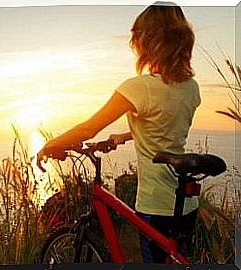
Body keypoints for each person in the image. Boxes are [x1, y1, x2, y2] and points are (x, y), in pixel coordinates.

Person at [37, 2, 200, 264]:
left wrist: (50, 144)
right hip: (187, 205)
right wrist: (124, 136)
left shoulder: (139, 88)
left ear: (150, 41)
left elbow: (89, 128)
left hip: (155, 205)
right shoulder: (192, 88)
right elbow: (163, 127)